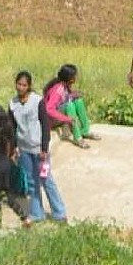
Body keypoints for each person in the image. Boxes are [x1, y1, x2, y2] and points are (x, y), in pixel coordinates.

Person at [27, 66, 74, 224]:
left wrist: (44, 150)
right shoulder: (19, 106)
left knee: (46, 179)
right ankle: (36, 214)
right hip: (27, 150)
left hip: (40, 151)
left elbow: (45, 129)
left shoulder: (38, 104)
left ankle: (59, 213)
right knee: (33, 182)